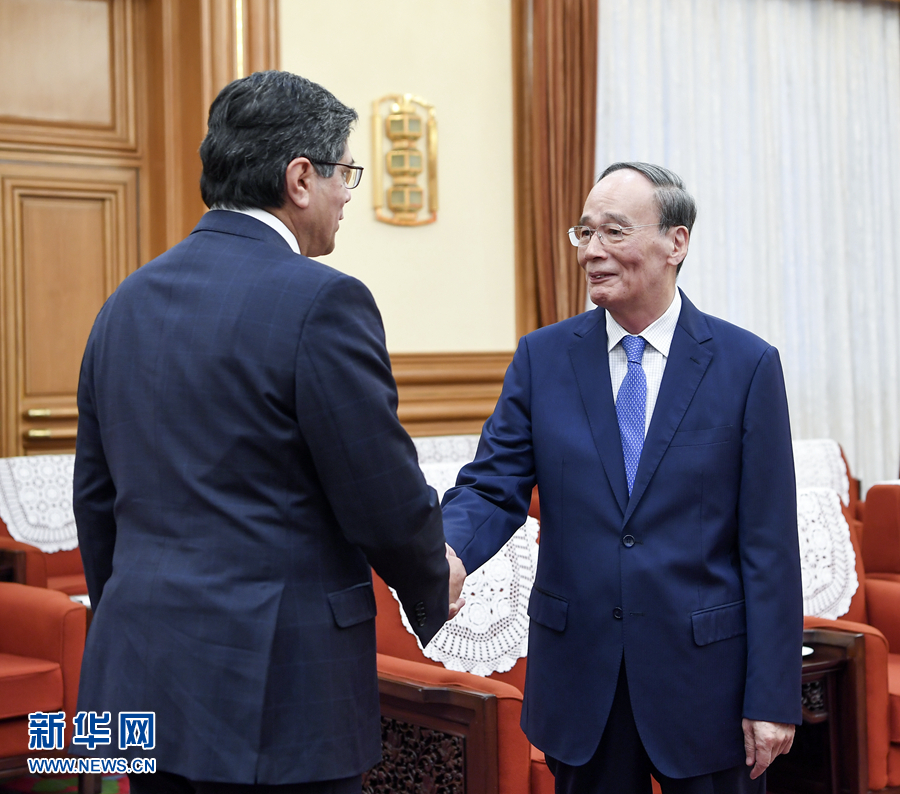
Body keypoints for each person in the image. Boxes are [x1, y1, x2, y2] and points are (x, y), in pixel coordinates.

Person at [73, 70, 465, 794]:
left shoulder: (123, 302)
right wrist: (433, 578)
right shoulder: (323, 301)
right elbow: (377, 492)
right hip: (271, 691)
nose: (349, 195)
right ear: (300, 178)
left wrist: (131, 612)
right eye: (346, 173)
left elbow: (95, 501)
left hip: (138, 674)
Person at [442, 162, 802, 793]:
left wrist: (772, 695)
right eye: (584, 232)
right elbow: (492, 487)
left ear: (676, 242)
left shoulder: (746, 366)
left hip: (706, 683)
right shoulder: (542, 359)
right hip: (582, 681)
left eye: (614, 231)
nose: (591, 251)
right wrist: (444, 551)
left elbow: (769, 545)